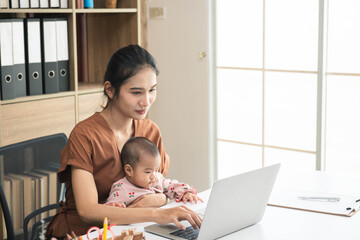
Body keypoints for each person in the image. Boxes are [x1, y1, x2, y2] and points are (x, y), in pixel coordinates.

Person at [46, 45, 202, 239]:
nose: (146, 101)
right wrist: (157, 211)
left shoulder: (150, 130)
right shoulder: (84, 135)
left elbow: (158, 189)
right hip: (86, 233)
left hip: (137, 228)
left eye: (152, 90)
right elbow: (88, 211)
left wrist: (157, 201)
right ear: (110, 90)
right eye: (136, 92)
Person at [106, 137, 203, 207]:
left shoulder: (157, 180)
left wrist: (186, 193)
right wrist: (116, 206)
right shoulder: (121, 189)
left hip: (159, 223)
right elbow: (109, 211)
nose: (154, 176)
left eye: (156, 170)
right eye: (148, 172)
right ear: (129, 170)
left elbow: (172, 185)